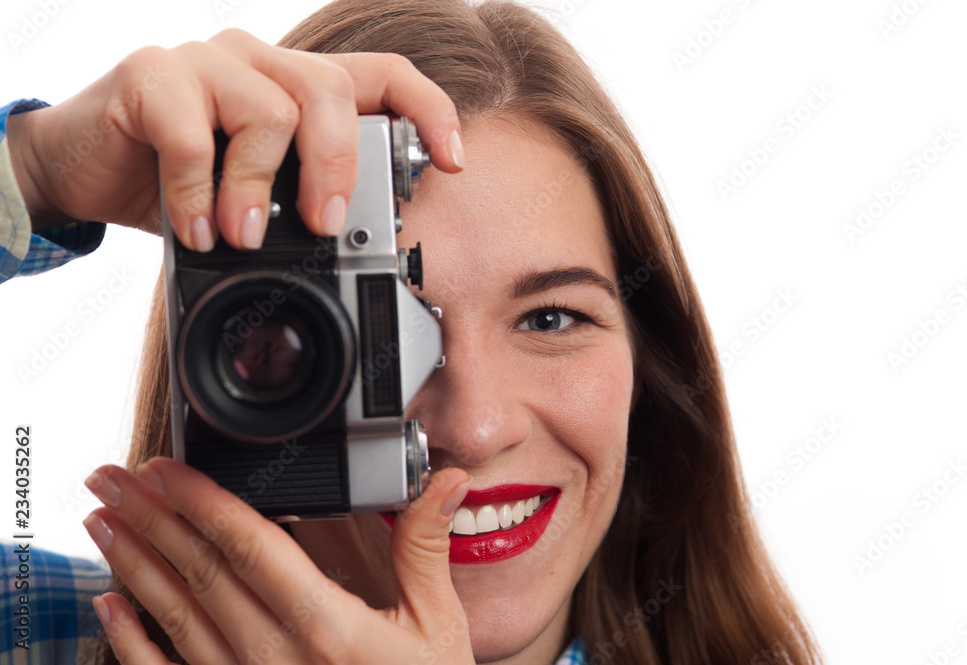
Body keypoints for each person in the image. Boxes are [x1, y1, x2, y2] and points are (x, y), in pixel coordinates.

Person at [0, 0, 824, 663]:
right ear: (235, 361)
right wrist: (29, 178)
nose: (473, 427)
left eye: (550, 317)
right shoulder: (40, 632)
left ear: (650, 359)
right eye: (382, 323)